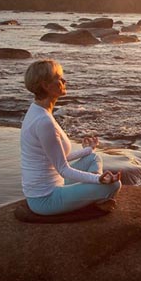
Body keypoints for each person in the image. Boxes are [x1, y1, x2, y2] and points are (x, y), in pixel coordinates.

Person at [20, 59, 121, 215]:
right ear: (45, 85)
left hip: (56, 183)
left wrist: (87, 150)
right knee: (114, 185)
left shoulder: (38, 110)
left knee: (93, 158)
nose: (64, 81)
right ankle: (98, 194)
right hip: (45, 199)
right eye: (59, 78)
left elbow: (58, 158)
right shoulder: (44, 121)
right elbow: (63, 169)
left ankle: (94, 194)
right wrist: (98, 179)